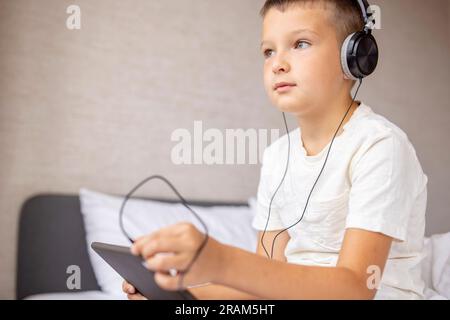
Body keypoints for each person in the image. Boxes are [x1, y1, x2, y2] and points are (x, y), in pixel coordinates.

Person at [123, 0, 428, 299]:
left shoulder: (380, 145)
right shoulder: (277, 156)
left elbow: (356, 290)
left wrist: (223, 261)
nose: (278, 64)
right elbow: (264, 284)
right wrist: (176, 291)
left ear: (354, 57)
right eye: (268, 51)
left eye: (301, 43)